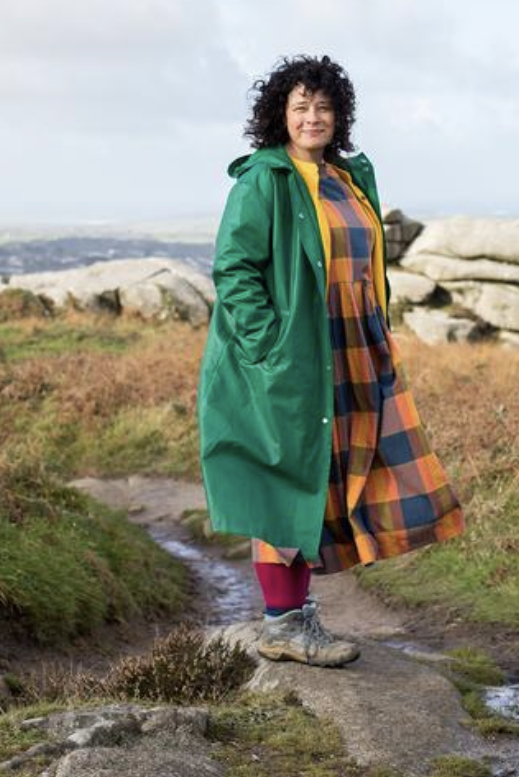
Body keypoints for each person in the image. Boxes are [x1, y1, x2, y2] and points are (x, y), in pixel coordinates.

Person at [197, 54, 465, 667]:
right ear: (280, 117)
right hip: (289, 355)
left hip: (351, 349)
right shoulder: (265, 180)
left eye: (323, 107)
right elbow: (235, 271)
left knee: (338, 479)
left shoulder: (347, 178)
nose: (312, 117)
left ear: (338, 115)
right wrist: (270, 348)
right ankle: (282, 623)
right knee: (287, 481)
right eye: (300, 107)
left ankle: (293, 615)